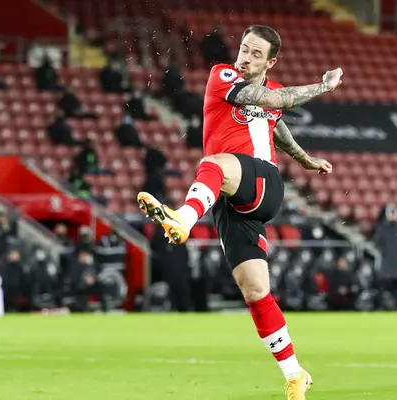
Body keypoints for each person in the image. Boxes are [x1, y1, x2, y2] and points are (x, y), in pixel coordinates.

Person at [136, 25, 342, 400]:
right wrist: (310, 146)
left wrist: (305, 159)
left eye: (255, 54)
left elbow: (277, 120)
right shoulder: (223, 75)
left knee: (213, 161)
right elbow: (271, 111)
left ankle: (183, 218)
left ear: (271, 61)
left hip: (263, 183)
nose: (245, 58)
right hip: (233, 200)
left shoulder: (273, 92)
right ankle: (296, 374)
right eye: (244, 49)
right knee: (255, 291)